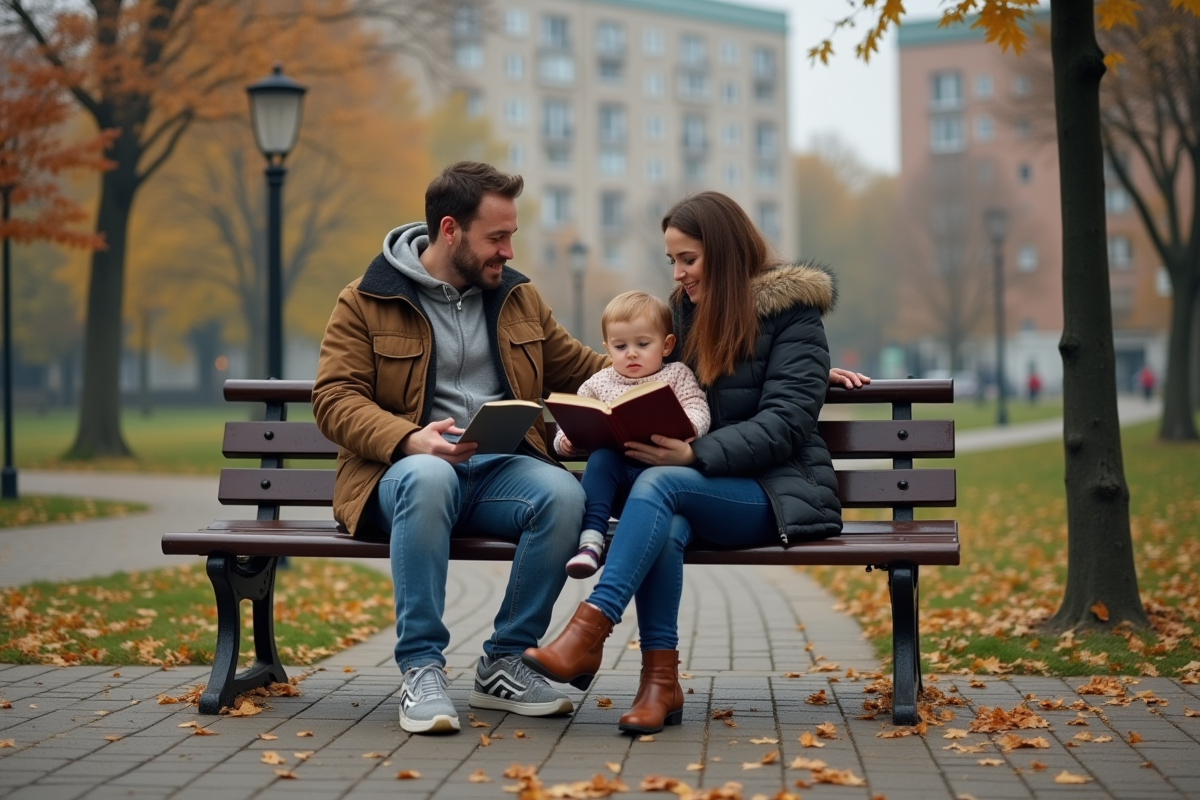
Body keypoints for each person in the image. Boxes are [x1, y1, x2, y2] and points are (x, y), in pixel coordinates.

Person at [522, 191, 852, 735]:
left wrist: (695, 452)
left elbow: (787, 424)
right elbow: (648, 378)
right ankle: (660, 685)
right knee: (666, 521)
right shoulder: (683, 314)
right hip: (695, 487)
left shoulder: (794, 315)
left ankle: (588, 632)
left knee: (661, 487)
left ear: (722, 252)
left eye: (688, 260)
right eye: (672, 260)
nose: (677, 274)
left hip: (773, 492)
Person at [311, 161, 608, 735]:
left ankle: (504, 662)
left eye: (511, 236)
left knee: (562, 494)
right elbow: (334, 398)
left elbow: (586, 370)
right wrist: (407, 438)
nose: (508, 251)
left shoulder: (518, 298)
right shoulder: (366, 299)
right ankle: (421, 669)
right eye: (496, 238)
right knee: (429, 476)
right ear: (450, 230)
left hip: (498, 471)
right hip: (399, 477)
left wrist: (681, 364)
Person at [555, 290, 711, 579]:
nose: (631, 353)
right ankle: (590, 542)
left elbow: (698, 408)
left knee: (655, 480)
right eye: (620, 346)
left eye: (642, 343)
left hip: (662, 483)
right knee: (601, 458)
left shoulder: (676, 374)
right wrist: (565, 439)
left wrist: (688, 429)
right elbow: (574, 415)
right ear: (607, 348)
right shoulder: (599, 383)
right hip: (617, 486)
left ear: (666, 345)